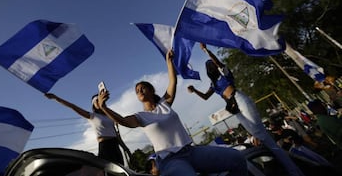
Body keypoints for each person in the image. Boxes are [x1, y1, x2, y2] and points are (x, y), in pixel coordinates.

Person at [97, 50, 247, 176]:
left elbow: (172, 81)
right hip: (171, 160)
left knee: (238, 158)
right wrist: (104, 108)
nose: (139, 91)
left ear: (151, 90)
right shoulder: (140, 117)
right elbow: (123, 121)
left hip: (192, 152)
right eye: (137, 91)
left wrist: (169, 62)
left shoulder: (165, 103)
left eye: (143, 87)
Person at [187, 43, 305, 176]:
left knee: (262, 135)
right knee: (259, 137)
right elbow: (205, 97)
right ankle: (282, 166)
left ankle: (294, 170)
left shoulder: (223, 72)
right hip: (232, 106)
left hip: (239, 99)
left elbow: (217, 62)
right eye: (209, 66)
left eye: (211, 64)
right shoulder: (213, 84)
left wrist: (205, 50)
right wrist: (194, 90)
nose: (211, 66)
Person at [44, 93, 131, 165]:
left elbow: (116, 134)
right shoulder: (92, 116)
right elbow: (73, 106)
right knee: (109, 172)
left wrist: (126, 148)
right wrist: (56, 98)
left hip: (115, 145)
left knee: (120, 169)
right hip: (105, 146)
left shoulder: (110, 117)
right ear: (94, 104)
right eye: (97, 100)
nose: (99, 101)